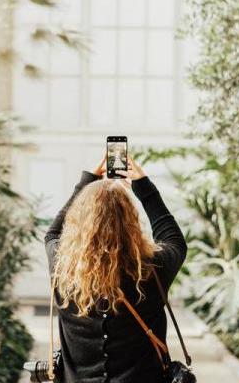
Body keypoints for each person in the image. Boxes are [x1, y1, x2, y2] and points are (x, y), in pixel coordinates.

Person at [44, 154, 188, 383]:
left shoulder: (63, 268)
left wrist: (86, 183)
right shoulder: (152, 270)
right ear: (130, 221)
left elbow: (52, 234)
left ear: (77, 222)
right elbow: (174, 241)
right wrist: (144, 187)